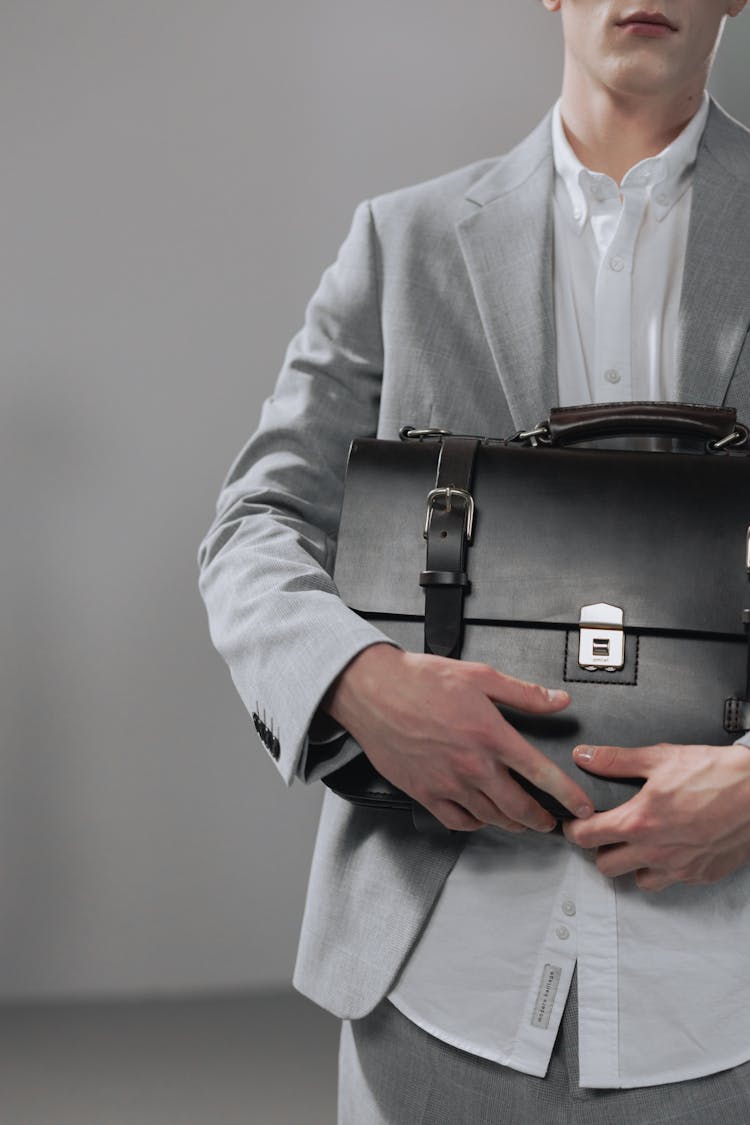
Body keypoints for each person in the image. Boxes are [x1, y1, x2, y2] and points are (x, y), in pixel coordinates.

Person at [199, 1, 750, 1120]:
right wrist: (362, 684)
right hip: (432, 1002)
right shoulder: (403, 239)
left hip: (725, 1010)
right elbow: (256, 524)